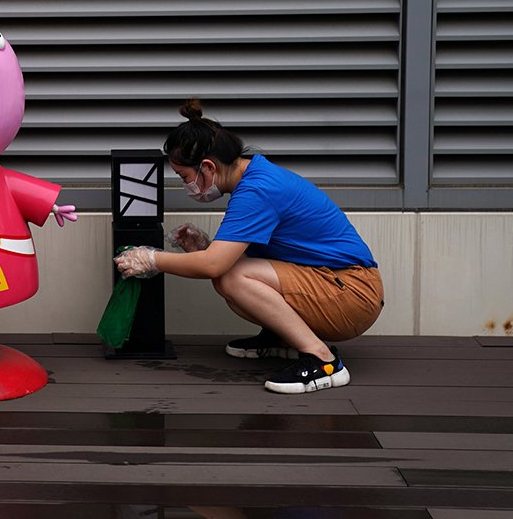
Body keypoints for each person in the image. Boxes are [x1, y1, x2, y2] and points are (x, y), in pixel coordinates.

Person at [114, 99, 384, 394]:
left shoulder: (257, 190)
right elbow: (264, 252)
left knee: (230, 277)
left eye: (184, 177)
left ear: (207, 166)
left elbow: (215, 265)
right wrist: (205, 246)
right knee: (230, 273)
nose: (185, 185)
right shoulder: (255, 177)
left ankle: (323, 362)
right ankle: (281, 339)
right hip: (337, 283)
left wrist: (151, 258)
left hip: (352, 295)